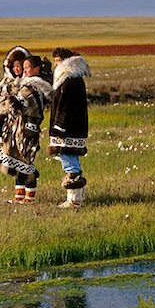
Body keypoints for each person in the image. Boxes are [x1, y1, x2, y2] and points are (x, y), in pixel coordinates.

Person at [0, 55, 53, 204]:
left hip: (27, 130)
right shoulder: (26, 85)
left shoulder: (34, 88)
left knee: (26, 162)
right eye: (24, 67)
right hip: (19, 128)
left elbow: (18, 105)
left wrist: (5, 104)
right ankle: (19, 196)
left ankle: (29, 197)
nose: (24, 70)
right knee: (18, 161)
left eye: (27, 67)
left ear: (37, 69)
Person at [48, 47, 91, 208]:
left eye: (58, 61)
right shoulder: (71, 78)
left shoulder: (69, 80)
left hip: (68, 129)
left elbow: (65, 107)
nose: (56, 64)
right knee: (70, 159)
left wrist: (59, 127)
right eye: (55, 61)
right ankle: (77, 197)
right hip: (73, 128)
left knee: (70, 163)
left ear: (66, 62)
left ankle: (74, 200)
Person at [0, 46, 31, 143]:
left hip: (18, 112)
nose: (16, 69)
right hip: (2, 107)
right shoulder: (7, 79)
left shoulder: (26, 81)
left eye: (18, 66)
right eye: (14, 67)